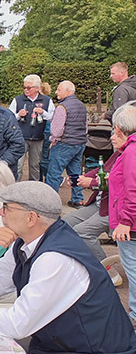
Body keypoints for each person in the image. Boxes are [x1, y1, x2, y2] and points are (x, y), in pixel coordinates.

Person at [0, 181, 136, 353]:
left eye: (6, 208)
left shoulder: (54, 258)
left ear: (31, 218)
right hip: (55, 341)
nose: (1, 214)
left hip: (92, 349)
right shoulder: (25, 242)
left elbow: (17, 324)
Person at [64, 148, 123, 285]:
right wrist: (81, 178)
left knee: (82, 232)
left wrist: (91, 182)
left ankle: (109, 273)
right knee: (64, 224)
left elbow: (122, 183)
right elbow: (101, 170)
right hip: (101, 203)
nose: (112, 138)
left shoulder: (130, 154)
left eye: (117, 136)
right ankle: (80, 266)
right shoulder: (119, 152)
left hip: (116, 209)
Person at [109, 102, 136, 324]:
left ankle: (135, 315)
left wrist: (125, 221)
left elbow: (132, 190)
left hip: (131, 223)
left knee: (133, 269)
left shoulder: (131, 152)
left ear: (118, 128)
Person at [44, 81, 87, 207]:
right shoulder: (81, 105)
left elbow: (56, 130)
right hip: (79, 143)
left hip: (64, 144)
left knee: (54, 174)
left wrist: (53, 140)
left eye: (59, 89)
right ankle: (78, 199)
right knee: (75, 173)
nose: (56, 92)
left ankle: (51, 203)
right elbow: (85, 126)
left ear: (67, 91)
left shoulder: (62, 107)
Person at [9, 74, 55, 181]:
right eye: (24, 87)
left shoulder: (47, 100)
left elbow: (53, 118)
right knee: (18, 165)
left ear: (37, 88)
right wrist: (18, 115)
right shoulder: (17, 100)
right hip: (20, 138)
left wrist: (43, 113)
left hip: (38, 138)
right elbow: (9, 118)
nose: (26, 90)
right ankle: (14, 186)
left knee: (35, 166)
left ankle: (34, 188)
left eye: (29, 88)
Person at [38, 82, 53, 181]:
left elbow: (51, 117)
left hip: (46, 132)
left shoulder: (46, 102)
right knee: (39, 158)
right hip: (41, 132)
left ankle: (51, 178)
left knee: (43, 158)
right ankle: (40, 178)